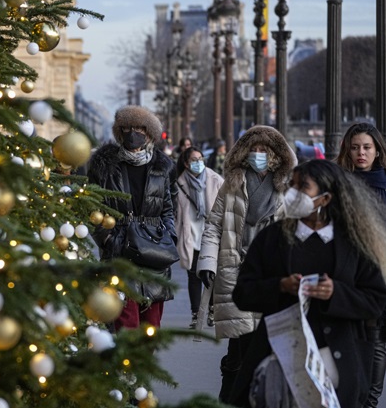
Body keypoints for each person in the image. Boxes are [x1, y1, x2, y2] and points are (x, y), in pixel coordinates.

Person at [230, 160, 386, 408]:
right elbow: (242, 293)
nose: (293, 193)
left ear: (325, 198)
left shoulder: (354, 243)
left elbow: (376, 301)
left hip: (337, 361)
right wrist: (280, 286)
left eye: (303, 187)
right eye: (292, 185)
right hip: (280, 357)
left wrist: (336, 293)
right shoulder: (272, 238)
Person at [197, 125, 297, 402]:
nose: (257, 154)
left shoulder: (287, 187)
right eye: (253, 149)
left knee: (264, 342)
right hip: (235, 268)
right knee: (240, 344)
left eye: (263, 150)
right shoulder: (232, 183)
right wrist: (207, 262)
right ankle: (230, 397)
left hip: (272, 274)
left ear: (276, 154)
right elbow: (215, 224)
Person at [88, 105, 177, 330]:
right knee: (126, 325)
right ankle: (127, 367)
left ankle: (142, 365)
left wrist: (169, 235)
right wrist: (108, 240)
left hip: (153, 252)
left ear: (149, 133)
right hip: (120, 251)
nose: (132, 134)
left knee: (151, 327)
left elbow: (168, 207)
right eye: (126, 128)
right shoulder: (104, 166)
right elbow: (93, 207)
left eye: (138, 128)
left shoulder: (161, 167)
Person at [336, 122, 386, 408]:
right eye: (355, 147)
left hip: (380, 270)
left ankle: (369, 401)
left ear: (377, 150)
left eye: (366, 147)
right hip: (348, 270)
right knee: (351, 337)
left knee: (377, 337)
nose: (360, 153)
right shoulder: (340, 182)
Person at [175, 146, 224, 329]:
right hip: (190, 235)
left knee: (209, 274)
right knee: (193, 276)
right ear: (186, 164)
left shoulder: (214, 179)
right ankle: (196, 314)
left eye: (200, 158)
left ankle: (211, 308)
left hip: (210, 235)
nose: (199, 162)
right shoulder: (179, 184)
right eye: (194, 160)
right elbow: (175, 211)